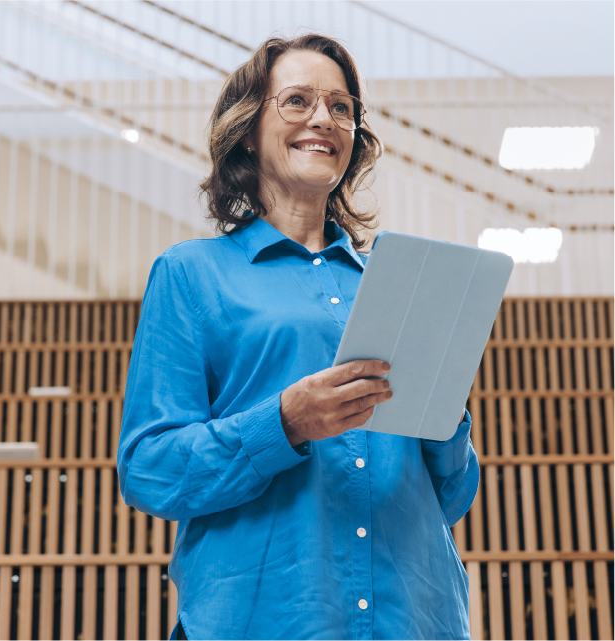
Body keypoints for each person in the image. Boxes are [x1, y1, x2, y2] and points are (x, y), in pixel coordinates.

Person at [118, 33, 479, 641]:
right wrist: (281, 423)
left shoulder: (401, 288)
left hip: (417, 619)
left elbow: (450, 497)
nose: (325, 119)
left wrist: (445, 412)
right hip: (263, 622)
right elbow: (150, 470)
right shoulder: (190, 273)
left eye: (342, 107)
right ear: (247, 129)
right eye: (297, 101)